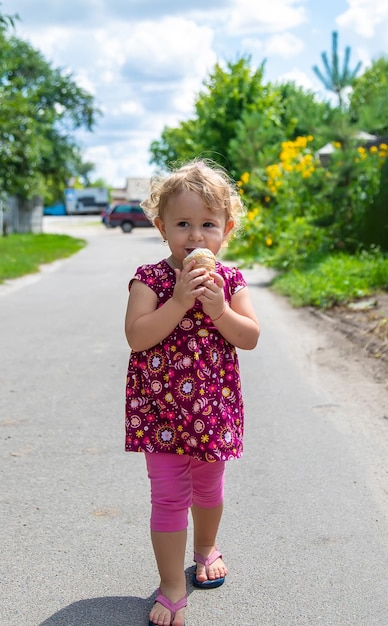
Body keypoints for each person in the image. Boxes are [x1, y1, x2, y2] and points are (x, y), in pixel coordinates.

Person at [124, 160, 260, 626]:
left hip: (213, 409)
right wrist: (179, 302)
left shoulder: (230, 281)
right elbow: (137, 337)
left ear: (227, 230)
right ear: (162, 227)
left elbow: (250, 337)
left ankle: (205, 549)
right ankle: (172, 585)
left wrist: (218, 308)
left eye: (208, 225)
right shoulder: (151, 280)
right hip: (159, 414)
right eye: (183, 224)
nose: (196, 237)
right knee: (166, 497)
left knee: (208, 488)